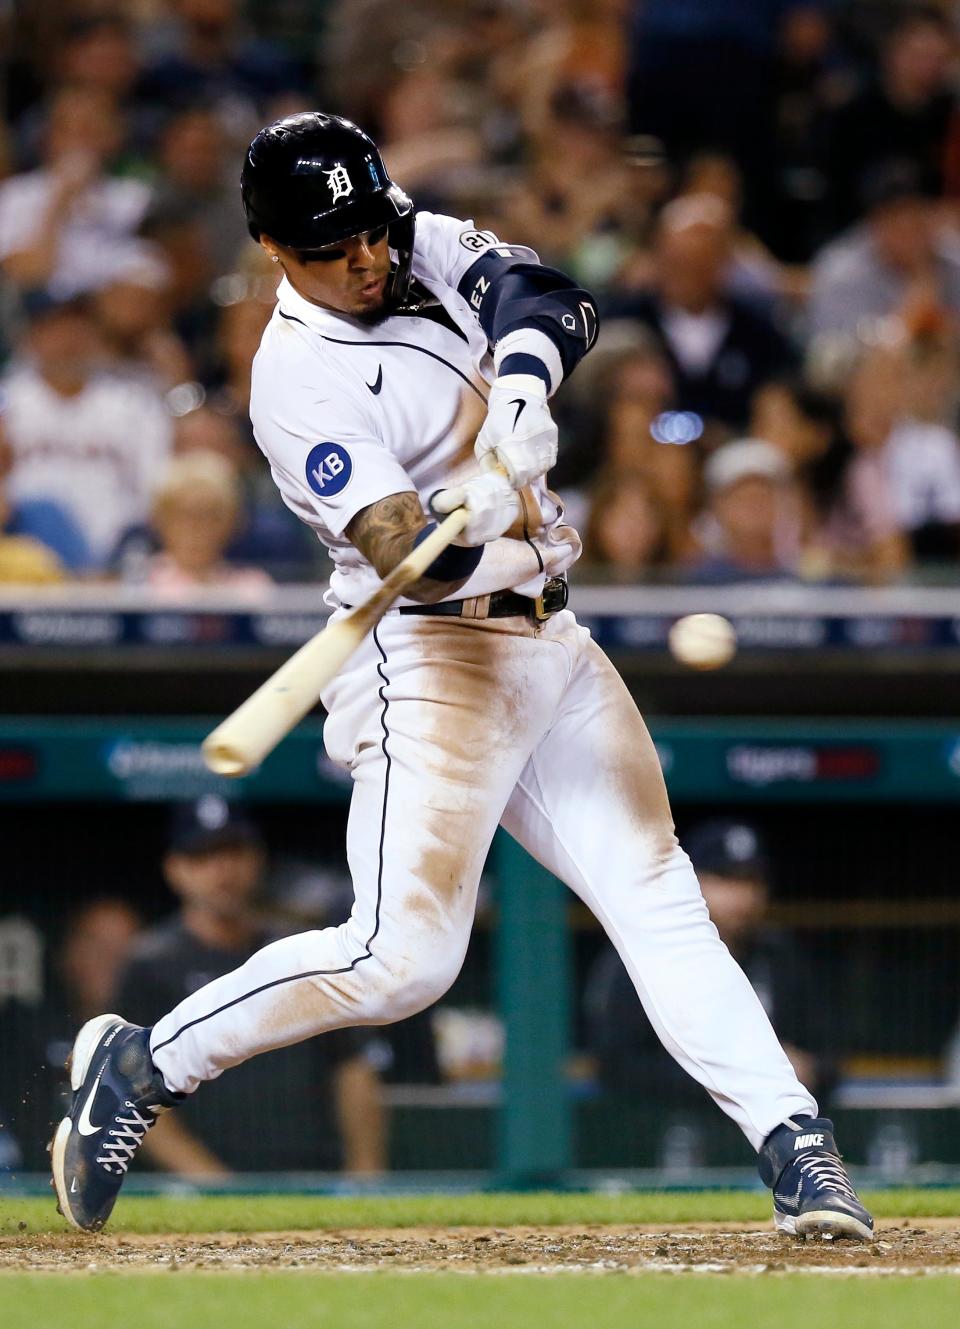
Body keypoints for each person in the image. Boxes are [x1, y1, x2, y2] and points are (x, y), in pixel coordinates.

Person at [52, 111, 873, 1243]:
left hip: (553, 640)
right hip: (431, 655)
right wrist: (469, 516)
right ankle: (144, 1064)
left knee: (657, 894)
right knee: (403, 960)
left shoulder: (409, 239)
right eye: (334, 246)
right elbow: (403, 560)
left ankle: (798, 1148)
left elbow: (552, 296)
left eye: (372, 231)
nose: (368, 257)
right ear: (276, 250)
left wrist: (526, 387)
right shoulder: (296, 381)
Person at [111, 799, 386, 1177]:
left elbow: (352, 1067)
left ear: (257, 858)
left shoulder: (298, 953)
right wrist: (213, 1184)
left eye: (233, 851)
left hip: (312, 1175)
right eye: (203, 856)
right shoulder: (151, 965)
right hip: (201, 1185)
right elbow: (131, 1091)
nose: (222, 870)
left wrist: (365, 1172)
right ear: (175, 869)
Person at [585, 818, 838, 1166]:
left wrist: (808, 1069)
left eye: (750, 881)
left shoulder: (779, 955)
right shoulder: (646, 953)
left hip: (762, 1144)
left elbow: (828, 1055)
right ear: (692, 882)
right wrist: (742, 1078)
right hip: (652, 1140)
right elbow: (617, 1064)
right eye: (724, 879)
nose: (740, 896)